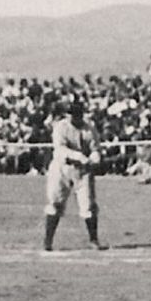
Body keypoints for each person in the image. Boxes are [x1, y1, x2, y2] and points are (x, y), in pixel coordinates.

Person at [43, 101, 108, 252]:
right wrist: (79, 156)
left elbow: (95, 147)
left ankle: (93, 240)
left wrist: (95, 157)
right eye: (72, 114)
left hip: (83, 171)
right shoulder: (61, 127)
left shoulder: (89, 128)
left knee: (88, 205)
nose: (75, 118)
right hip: (61, 168)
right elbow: (60, 149)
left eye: (77, 115)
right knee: (55, 203)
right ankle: (48, 241)